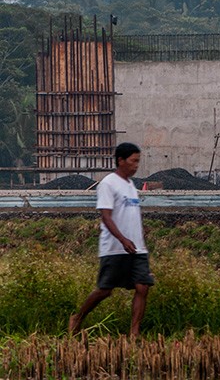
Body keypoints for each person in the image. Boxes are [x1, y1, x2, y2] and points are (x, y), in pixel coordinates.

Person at [69, 142, 154, 337]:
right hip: (115, 248)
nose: (136, 166)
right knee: (105, 290)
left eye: (138, 161)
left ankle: (134, 334)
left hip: (137, 248)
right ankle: (78, 318)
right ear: (120, 161)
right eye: (133, 161)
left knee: (143, 286)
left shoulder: (131, 185)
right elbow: (106, 217)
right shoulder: (108, 184)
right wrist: (123, 239)